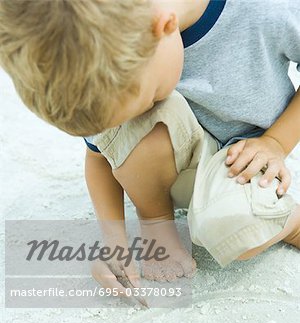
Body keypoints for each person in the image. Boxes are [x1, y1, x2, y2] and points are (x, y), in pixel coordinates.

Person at [0, 0, 299, 295]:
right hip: (177, 163)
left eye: (149, 97)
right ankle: (156, 221)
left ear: (165, 27)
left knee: (236, 228)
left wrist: (275, 142)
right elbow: (101, 154)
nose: (129, 121)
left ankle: (293, 223)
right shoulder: (107, 50)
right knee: (136, 127)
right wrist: (113, 240)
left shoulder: (263, 9)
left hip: (244, 163)